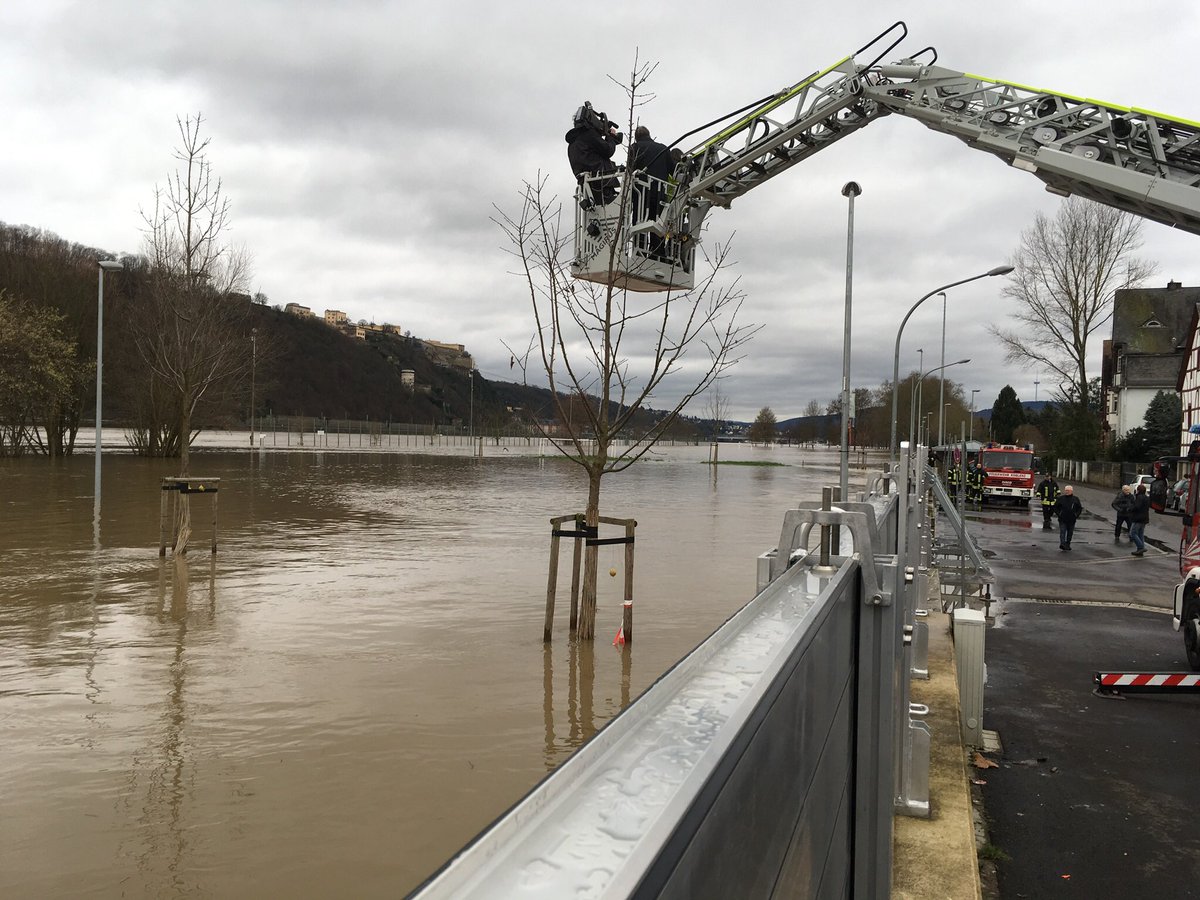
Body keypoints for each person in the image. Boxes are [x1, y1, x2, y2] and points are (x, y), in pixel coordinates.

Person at [627, 126, 674, 255]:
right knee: (658, 223)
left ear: (636, 138)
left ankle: (639, 252)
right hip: (660, 194)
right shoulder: (663, 148)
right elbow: (673, 170)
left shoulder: (635, 148)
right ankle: (657, 253)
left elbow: (630, 170)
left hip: (641, 193)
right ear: (649, 134)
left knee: (639, 223)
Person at [565, 111, 620, 206]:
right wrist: (610, 137)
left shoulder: (572, 143)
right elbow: (608, 150)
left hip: (587, 188)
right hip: (601, 184)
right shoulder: (589, 135)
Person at [1053, 485, 1083, 551]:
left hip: (1072, 519)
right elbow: (1055, 507)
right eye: (1066, 490)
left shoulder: (1075, 499)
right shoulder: (1061, 498)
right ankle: (1062, 544)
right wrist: (1059, 514)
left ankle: (1068, 544)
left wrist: (1076, 515)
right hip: (1062, 519)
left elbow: (1079, 508)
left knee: (1070, 533)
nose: (1067, 492)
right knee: (1062, 532)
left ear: (1071, 491)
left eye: (1068, 490)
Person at [1129, 483, 1151, 556]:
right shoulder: (1146, 498)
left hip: (1138, 518)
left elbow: (1137, 507)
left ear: (1138, 490)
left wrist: (1131, 508)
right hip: (1144, 518)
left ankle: (1141, 547)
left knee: (1133, 533)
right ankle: (1140, 549)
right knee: (1140, 533)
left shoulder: (1139, 497)